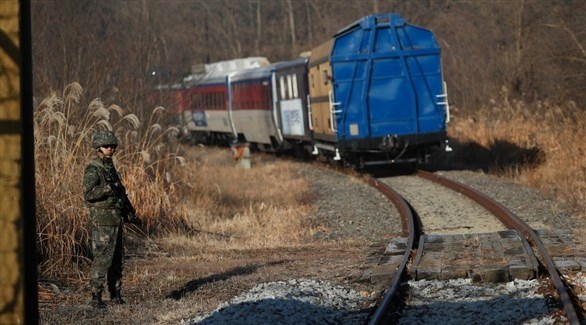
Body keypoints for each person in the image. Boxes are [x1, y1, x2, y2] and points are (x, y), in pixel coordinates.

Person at [83, 130, 141, 308]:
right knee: (102, 259)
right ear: (98, 148)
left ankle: (116, 294)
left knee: (117, 260)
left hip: (116, 220)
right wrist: (108, 189)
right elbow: (89, 195)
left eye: (113, 146)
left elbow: (120, 194)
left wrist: (129, 214)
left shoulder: (110, 167)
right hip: (102, 221)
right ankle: (96, 297)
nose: (110, 149)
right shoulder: (93, 168)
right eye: (107, 146)